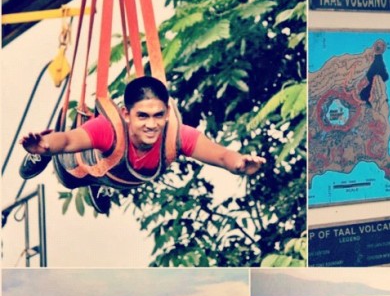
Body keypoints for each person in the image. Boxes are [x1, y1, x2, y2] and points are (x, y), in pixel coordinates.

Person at [19, 76, 266, 214]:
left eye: (158, 115)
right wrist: (46, 145)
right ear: (126, 114)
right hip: (75, 166)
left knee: (112, 176)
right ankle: (42, 156)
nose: (152, 125)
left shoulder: (176, 136)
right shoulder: (108, 130)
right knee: (70, 168)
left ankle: (99, 185)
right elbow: (69, 140)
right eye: (143, 117)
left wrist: (239, 164)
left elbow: (221, 155)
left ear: (168, 112)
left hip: (115, 176)